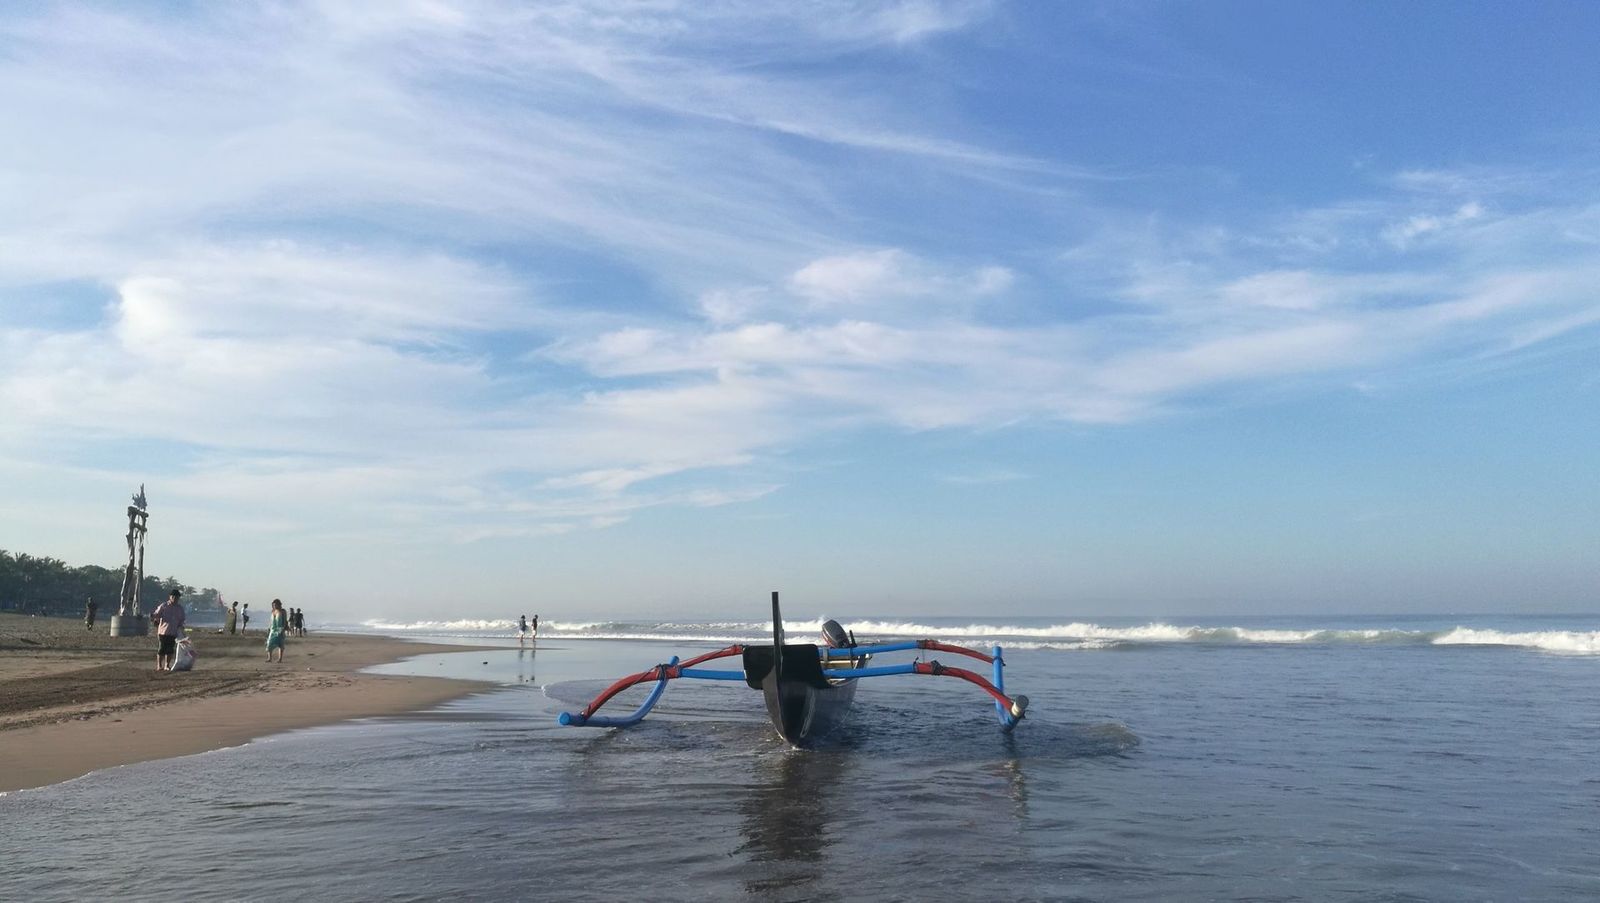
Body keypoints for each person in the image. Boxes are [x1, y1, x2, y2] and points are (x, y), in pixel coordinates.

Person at [151, 589, 186, 672]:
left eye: (176, 597)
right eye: (173, 597)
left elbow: (182, 620)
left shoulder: (180, 608)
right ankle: (159, 665)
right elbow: (156, 614)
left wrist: (181, 629)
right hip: (163, 631)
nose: (175, 598)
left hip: (173, 632)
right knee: (161, 649)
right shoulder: (164, 606)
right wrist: (152, 617)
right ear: (170, 597)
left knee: (170, 650)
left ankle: (167, 665)